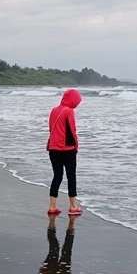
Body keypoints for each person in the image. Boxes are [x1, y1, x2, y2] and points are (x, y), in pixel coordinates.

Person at [46, 88, 82, 216]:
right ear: (73, 99)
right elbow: (73, 131)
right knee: (71, 177)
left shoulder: (54, 110)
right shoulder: (69, 111)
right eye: (77, 101)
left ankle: (52, 206)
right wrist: (76, 146)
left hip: (53, 149)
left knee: (57, 177)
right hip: (68, 150)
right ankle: (73, 207)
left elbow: (51, 129)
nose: (77, 104)